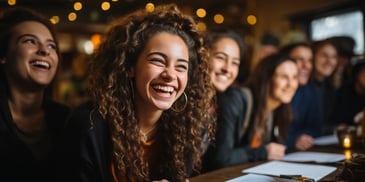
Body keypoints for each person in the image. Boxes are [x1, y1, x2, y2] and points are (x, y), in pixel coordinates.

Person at [59, 4, 214, 182]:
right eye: (158, 61)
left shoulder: (186, 127)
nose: (170, 74)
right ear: (130, 67)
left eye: (181, 67)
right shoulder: (90, 126)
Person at [0, 7, 70, 181]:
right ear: (3, 55)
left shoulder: (68, 120)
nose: (44, 51)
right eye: (30, 41)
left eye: (51, 45)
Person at [202, 53, 298, 172]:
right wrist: (263, 152)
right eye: (284, 77)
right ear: (267, 77)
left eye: (295, 77)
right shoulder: (236, 100)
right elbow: (221, 158)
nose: (291, 84)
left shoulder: (277, 111)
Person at [280, 42, 323, 151]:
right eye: (299, 59)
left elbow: (316, 128)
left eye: (310, 61)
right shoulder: (277, 91)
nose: (306, 66)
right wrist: (292, 141)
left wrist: (303, 138)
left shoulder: (311, 92)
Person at [310, 38, 339, 135]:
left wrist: (335, 128)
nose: (329, 61)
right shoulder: (300, 86)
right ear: (313, 57)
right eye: (324, 55)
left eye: (334, 57)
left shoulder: (330, 88)